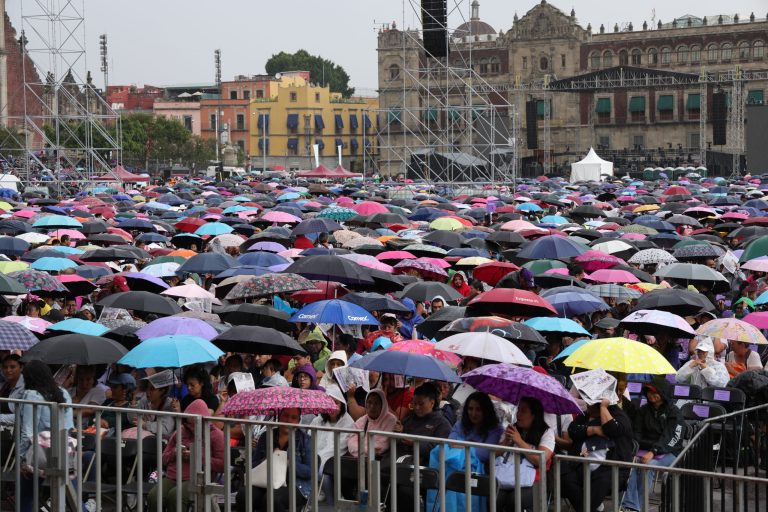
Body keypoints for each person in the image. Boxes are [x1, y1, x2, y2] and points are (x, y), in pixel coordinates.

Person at [620, 379, 685, 512]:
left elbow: (671, 438)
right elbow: (637, 432)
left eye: (655, 392)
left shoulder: (674, 412)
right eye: (648, 391)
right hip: (644, 450)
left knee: (647, 466)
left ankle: (632, 506)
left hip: (669, 452)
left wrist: (653, 451)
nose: (651, 394)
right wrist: (635, 448)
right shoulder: (643, 410)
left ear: (663, 393)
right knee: (632, 464)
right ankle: (632, 506)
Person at [148, 399, 225, 512]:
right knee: (153, 496)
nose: (191, 427)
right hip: (173, 476)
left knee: (175, 497)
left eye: (195, 423)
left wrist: (198, 457)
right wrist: (175, 452)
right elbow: (163, 459)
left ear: (203, 421)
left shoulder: (216, 435)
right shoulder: (180, 431)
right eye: (189, 423)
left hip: (198, 479)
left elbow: (222, 464)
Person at [18, 361, 74, 512]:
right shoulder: (63, 392)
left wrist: (22, 458)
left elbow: (27, 431)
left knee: (27, 496)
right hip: (64, 448)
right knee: (70, 497)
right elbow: (69, 426)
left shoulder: (31, 394)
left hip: (40, 452)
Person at [562, 398, 634, 512]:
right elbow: (573, 430)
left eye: (590, 404)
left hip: (611, 468)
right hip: (582, 463)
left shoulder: (619, 416)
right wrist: (593, 430)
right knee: (566, 476)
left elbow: (612, 429)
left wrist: (603, 408)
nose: (587, 405)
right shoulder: (584, 415)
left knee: (601, 481)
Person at [236, 407, 313, 512]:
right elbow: (252, 465)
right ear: (279, 416)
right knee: (243, 494)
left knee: (272, 498)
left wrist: (288, 462)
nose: (288, 420)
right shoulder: (266, 436)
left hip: (295, 485)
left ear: (298, 421)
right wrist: (267, 459)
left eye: (293, 417)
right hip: (264, 481)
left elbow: (310, 472)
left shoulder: (306, 440)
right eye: (285, 415)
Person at [497, 397, 555, 511]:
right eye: (518, 409)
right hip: (506, 474)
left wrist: (519, 441)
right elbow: (495, 453)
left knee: (515, 500)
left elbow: (541, 460)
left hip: (533, 481)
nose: (518, 414)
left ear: (534, 415)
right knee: (495, 498)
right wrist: (505, 442)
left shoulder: (547, 432)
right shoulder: (512, 429)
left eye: (523, 411)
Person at [394, 382, 452, 460]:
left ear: (432, 403)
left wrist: (416, 443)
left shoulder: (442, 424)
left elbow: (440, 450)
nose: (417, 407)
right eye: (414, 404)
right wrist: (399, 432)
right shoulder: (408, 419)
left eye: (421, 404)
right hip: (398, 457)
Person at [449, 391, 504, 465]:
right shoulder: (460, 424)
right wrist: (473, 446)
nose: (473, 413)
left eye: (478, 409)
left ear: (486, 411)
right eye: (470, 409)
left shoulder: (497, 430)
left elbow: (485, 454)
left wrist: (462, 445)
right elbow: (449, 443)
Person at [347, 389, 398, 459]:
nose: (372, 406)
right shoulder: (361, 421)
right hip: (360, 459)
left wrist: (360, 450)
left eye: (376, 403)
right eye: (369, 402)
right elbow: (351, 443)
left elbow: (381, 447)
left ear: (383, 405)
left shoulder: (391, 420)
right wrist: (368, 450)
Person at [128, 369, 176, 440]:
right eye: (147, 388)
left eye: (152, 389)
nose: (148, 392)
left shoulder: (170, 404)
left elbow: (165, 429)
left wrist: (145, 425)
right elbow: (133, 420)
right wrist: (133, 404)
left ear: (162, 391)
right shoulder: (144, 400)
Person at [0, 354, 24, 425]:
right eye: (5, 367)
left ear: (21, 367)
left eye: (12, 367)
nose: (8, 370)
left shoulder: (27, 387)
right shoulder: (4, 385)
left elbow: (23, 416)